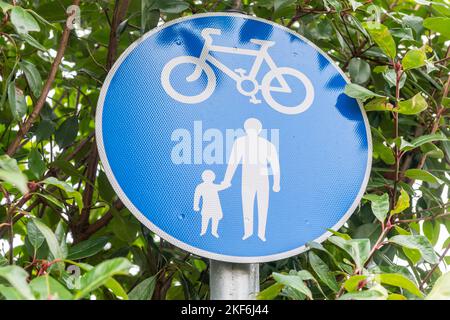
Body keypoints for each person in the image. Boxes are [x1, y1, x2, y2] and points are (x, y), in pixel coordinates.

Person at [222, 118, 280, 241]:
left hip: (262, 178)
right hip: (249, 178)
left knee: (261, 205)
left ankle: (261, 233)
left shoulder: (266, 144)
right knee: (249, 205)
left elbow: (275, 165)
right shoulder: (241, 143)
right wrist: (227, 179)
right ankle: (249, 232)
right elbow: (233, 163)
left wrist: (276, 183)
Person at [193, 170, 228, 238]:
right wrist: (195, 206)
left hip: (215, 206)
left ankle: (214, 232)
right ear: (203, 177)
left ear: (213, 178)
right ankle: (203, 231)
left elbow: (221, 187)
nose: (209, 178)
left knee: (215, 219)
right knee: (205, 218)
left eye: (210, 177)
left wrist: (226, 184)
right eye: (207, 177)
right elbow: (197, 196)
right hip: (206, 206)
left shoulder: (213, 186)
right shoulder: (200, 186)